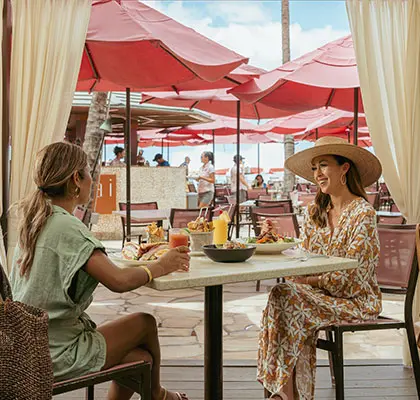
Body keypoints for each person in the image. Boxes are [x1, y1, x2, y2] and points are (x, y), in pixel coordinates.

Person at [10, 142, 190, 400]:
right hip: (56, 351)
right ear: (75, 179)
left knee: (141, 359)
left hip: (30, 346)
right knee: (144, 323)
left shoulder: (36, 219)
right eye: (88, 172)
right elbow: (118, 280)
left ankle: (159, 395)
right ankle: (160, 397)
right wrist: (161, 265)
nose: (92, 181)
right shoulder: (65, 225)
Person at [258, 136, 383, 399]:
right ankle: (285, 392)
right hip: (321, 299)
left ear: (344, 168)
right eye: (315, 168)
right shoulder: (316, 211)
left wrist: (311, 281)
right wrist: (273, 239)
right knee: (283, 296)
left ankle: (281, 392)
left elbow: (354, 279)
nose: (317, 174)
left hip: (357, 302)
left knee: (285, 298)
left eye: (323, 165)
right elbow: (302, 261)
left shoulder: (363, 214)